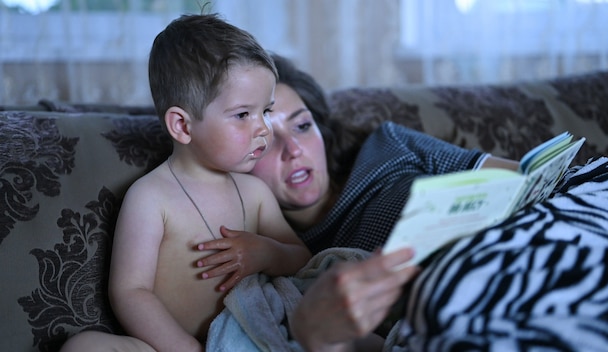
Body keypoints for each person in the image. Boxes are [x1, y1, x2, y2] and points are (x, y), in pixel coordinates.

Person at [193, 54, 521, 350]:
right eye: (264, 140)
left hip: (523, 244)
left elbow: (521, 178)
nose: (293, 149)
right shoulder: (293, 264)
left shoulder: (388, 145)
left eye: (303, 126)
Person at [61, 15, 310, 352]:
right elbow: (130, 291)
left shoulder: (255, 193)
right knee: (83, 346)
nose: (264, 128)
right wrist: (185, 348)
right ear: (182, 125)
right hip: (177, 345)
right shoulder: (150, 198)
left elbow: (302, 258)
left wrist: (268, 253)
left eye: (265, 110)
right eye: (242, 115)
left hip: (258, 337)